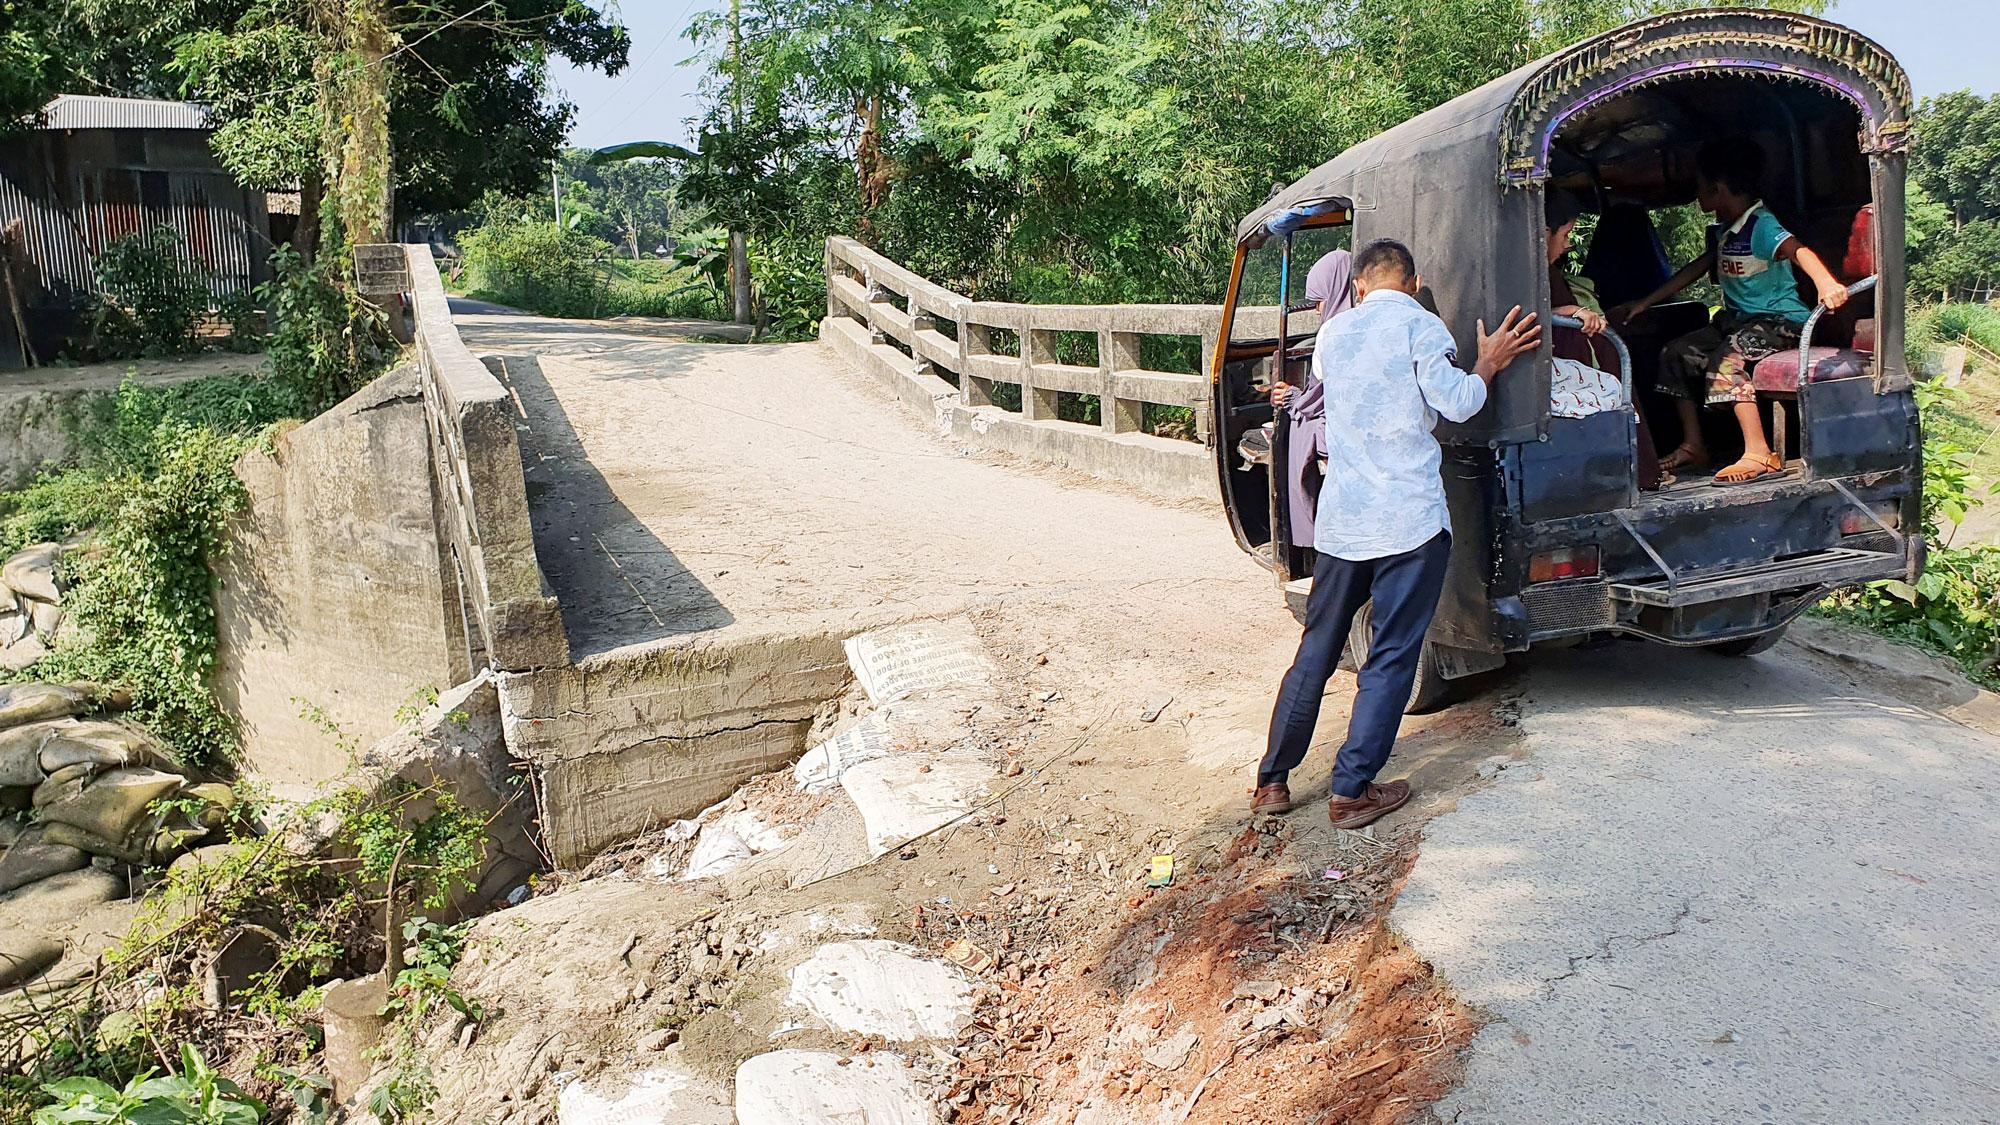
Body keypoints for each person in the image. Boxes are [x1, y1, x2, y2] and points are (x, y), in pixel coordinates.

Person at [1251, 239, 1541, 827]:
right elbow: (1457, 404)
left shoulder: (1333, 336)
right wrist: (1486, 362)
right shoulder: (1422, 326)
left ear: (1358, 286)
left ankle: (1273, 782)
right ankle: (1351, 789)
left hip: (1344, 523)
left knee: (1316, 650)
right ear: (1411, 282)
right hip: (1408, 522)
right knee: (1389, 658)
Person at [1612, 141, 1849, 485]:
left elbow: (1799, 251)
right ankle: (1694, 445)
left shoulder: (1761, 223)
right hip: (1739, 321)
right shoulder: (1727, 229)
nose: (1697, 198)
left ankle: (1759, 452)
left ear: (1717, 190)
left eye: (1699, 190)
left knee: (1726, 360)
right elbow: (1698, 267)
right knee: (1675, 354)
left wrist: (1826, 284)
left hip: (1779, 322)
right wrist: (1645, 303)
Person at [1545, 195, 1664, 489]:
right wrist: (1569, 314)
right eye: (1565, 235)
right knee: (1612, 383)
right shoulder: (1535, 275)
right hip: (1547, 373)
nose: (1568, 245)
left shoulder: (1545, 274)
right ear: (1543, 234)